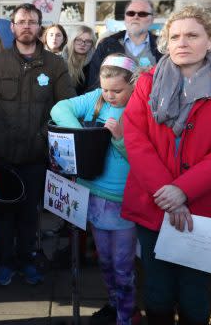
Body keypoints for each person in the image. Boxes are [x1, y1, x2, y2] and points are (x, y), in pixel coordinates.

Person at [121, 5, 211, 325]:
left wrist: (183, 190)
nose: (182, 42)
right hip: (154, 203)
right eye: (175, 36)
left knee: (194, 291)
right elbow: (135, 138)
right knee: (157, 289)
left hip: (203, 205)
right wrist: (166, 193)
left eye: (192, 35)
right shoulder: (147, 81)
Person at [0, 3, 75, 287]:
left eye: (32, 21)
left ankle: (28, 260)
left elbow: (64, 106)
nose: (27, 26)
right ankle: (5, 262)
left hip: (36, 153)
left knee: (31, 213)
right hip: (2, 154)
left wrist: (46, 137)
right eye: (22, 21)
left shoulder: (55, 65)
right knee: (4, 214)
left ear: (40, 26)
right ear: (12, 27)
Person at [51, 54, 139, 325]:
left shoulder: (139, 107)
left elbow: (144, 160)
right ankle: (113, 304)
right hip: (92, 193)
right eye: (105, 89)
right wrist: (83, 136)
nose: (110, 95)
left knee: (123, 265)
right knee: (104, 261)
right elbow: (59, 108)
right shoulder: (96, 99)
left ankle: (127, 315)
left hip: (122, 200)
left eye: (117, 90)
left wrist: (121, 140)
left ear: (133, 84)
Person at [88, 0, 161, 90]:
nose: (136, 17)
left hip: (151, 103)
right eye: (130, 13)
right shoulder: (106, 45)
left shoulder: (163, 46)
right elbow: (94, 83)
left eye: (142, 14)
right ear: (125, 18)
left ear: (152, 19)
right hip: (113, 103)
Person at [62, 26, 96, 95]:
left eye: (88, 41)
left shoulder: (95, 63)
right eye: (78, 40)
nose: (83, 44)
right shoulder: (59, 61)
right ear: (72, 40)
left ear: (92, 44)